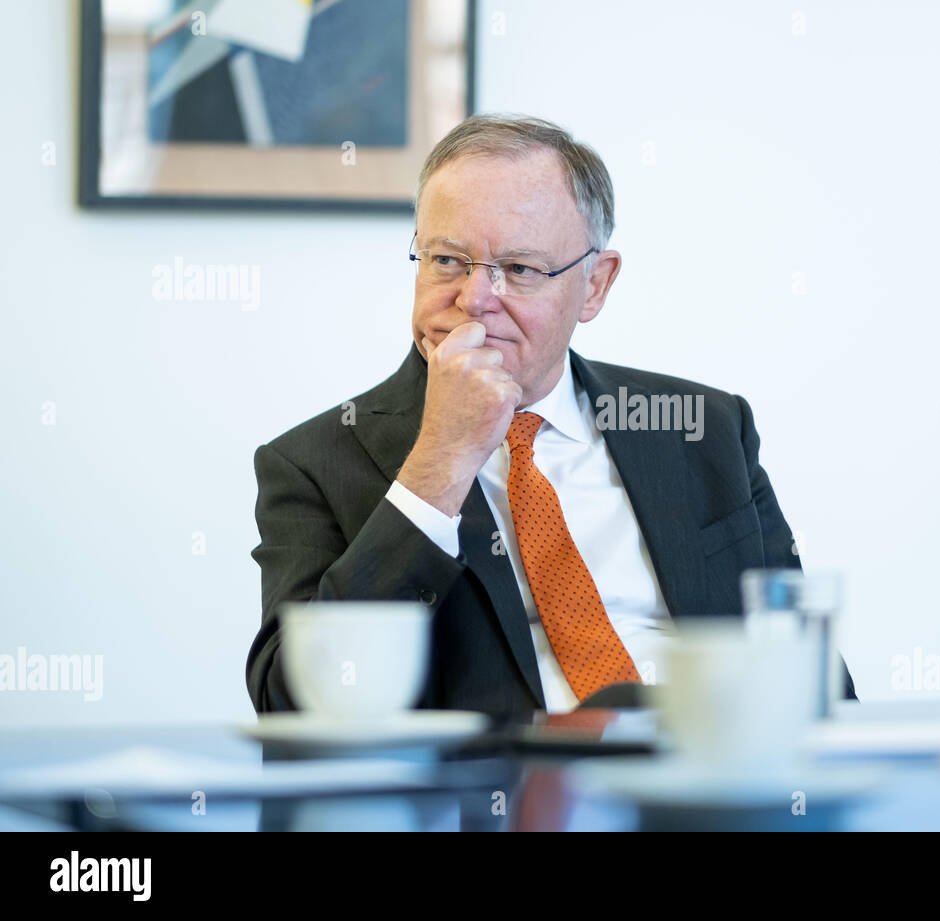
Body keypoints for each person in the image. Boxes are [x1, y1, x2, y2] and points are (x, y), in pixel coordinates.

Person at [246, 113, 855, 718]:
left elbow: (818, 684)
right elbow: (292, 706)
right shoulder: (315, 463)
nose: (475, 299)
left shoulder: (703, 427)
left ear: (595, 285)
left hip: (718, 784)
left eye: (519, 270)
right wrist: (442, 460)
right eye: (447, 261)